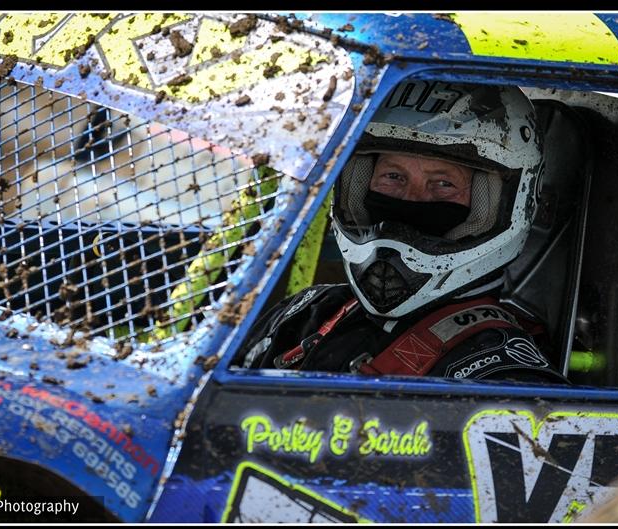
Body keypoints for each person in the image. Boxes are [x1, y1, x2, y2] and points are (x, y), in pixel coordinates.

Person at [236, 80, 568, 384]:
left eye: (443, 183)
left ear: (508, 202)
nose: (411, 201)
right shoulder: (306, 312)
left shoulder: (505, 379)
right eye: (393, 176)